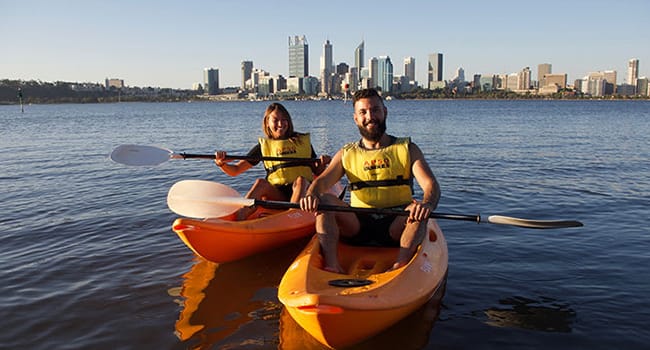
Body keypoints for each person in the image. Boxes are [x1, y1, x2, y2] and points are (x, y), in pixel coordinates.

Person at [299, 88, 440, 273]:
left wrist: (427, 204)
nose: (370, 116)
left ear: (385, 112)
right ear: (356, 118)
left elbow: (431, 185)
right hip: (357, 225)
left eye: (375, 110)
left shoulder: (408, 149)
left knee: (416, 209)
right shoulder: (346, 153)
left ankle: (401, 265)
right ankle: (332, 265)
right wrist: (311, 194)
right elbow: (322, 182)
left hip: (397, 226)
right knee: (325, 202)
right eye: (363, 112)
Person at [214, 102, 330, 220]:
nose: (280, 124)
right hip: (278, 196)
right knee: (260, 183)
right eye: (275, 120)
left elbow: (318, 171)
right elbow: (235, 170)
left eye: (284, 119)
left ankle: (291, 217)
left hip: (302, 194)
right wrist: (222, 164)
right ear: (267, 123)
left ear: (288, 122)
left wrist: (322, 163)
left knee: (301, 180)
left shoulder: (301, 142)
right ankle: (239, 217)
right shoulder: (263, 147)